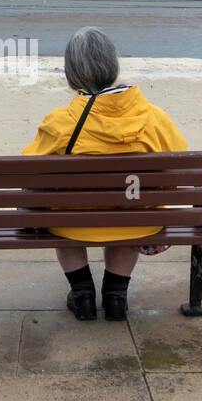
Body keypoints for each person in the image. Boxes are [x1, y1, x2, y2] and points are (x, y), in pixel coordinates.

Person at [23, 26, 187, 321]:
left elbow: (28, 172)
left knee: (58, 214)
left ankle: (83, 294)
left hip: (72, 224)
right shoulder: (155, 118)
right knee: (127, 217)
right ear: (112, 65)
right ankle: (115, 297)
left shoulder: (61, 122)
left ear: (71, 72)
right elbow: (177, 169)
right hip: (138, 224)